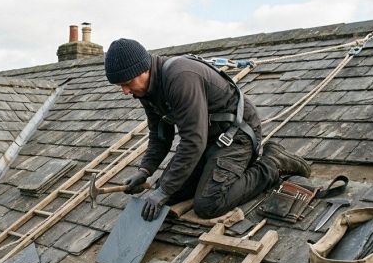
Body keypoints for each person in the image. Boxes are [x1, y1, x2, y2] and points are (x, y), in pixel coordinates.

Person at [103, 38, 311, 221]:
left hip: (236, 135)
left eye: (127, 83)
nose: (125, 91)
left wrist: (165, 189)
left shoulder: (180, 77)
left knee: (209, 204)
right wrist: (145, 171)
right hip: (208, 140)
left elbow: (193, 140)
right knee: (164, 192)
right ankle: (218, 172)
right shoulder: (146, 91)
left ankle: (272, 164)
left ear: (143, 69)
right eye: (120, 86)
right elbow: (160, 136)